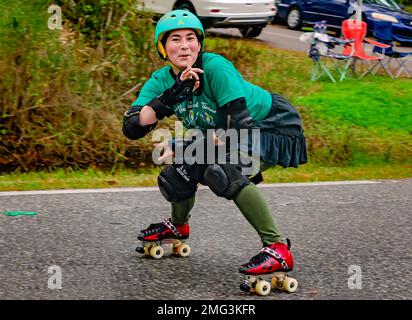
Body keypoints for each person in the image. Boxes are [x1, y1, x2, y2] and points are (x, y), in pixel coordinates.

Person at [122, 10, 307, 279]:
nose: (184, 45)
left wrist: (188, 145)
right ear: (162, 47)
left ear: (200, 43)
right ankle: (177, 227)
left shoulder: (215, 68)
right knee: (176, 176)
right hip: (225, 131)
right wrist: (170, 97)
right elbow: (132, 127)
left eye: (190, 38)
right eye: (175, 39)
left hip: (271, 125)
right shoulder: (161, 80)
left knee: (224, 172)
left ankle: (277, 249)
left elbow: (240, 125)